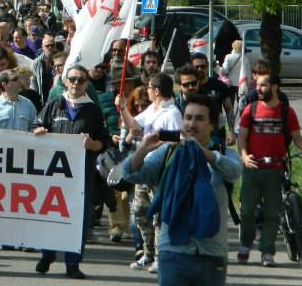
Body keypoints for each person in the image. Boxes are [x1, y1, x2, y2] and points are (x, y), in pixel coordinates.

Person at [120, 94, 242, 286]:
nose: (192, 124)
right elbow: (129, 174)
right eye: (188, 117)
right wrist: (143, 148)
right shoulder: (168, 152)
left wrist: (201, 151)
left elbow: (234, 172)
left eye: (200, 119)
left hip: (212, 254)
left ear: (213, 125)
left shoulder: (225, 155)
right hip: (174, 253)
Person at [33, 65, 108, 279]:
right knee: (49, 216)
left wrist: (94, 145)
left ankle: (72, 263)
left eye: (81, 80)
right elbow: (36, 125)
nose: (76, 83)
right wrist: (38, 131)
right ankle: (47, 255)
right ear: (65, 81)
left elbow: (104, 141)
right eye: (73, 79)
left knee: (78, 220)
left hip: (80, 177)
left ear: (86, 84)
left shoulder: (93, 110)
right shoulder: (54, 105)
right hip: (53, 175)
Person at [237, 73, 302, 266]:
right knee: (248, 211)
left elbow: (297, 139)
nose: (258, 88)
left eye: (263, 85)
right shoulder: (251, 109)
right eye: (257, 85)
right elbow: (241, 138)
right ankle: (246, 244)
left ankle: (267, 251)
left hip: (275, 169)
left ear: (275, 87)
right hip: (253, 168)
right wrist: (245, 156)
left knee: (272, 213)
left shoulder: (286, 113)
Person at [118, 72, 182, 272]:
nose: (146, 91)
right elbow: (134, 126)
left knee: (158, 217)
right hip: (143, 169)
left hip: (160, 173)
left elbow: (176, 144)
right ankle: (148, 254)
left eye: (149, 88)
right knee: (139, 212)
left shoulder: (172, 114)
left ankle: (161, 257)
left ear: (156, 91)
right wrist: (122, 109)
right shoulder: (154, 109)